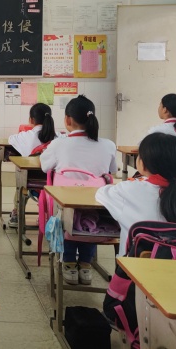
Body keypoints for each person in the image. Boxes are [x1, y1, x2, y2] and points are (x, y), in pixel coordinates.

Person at [40, 95, 117, 286]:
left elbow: (44, 166)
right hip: (97, 208)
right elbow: (112, 170)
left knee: (68, 218)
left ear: (67, 119)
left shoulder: (59, 144)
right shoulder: (108, 145)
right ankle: (85, 264)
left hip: (64, 206)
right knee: (88, 220)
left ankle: (68, 263)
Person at [96, 132, 176, 255]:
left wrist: (139, 181)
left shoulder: (127, 190)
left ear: (142, 164)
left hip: (134, 265)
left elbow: (100, 193)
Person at [6, 103, 57, 226]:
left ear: (31, 120)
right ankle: (46, 216)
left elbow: (10, 139)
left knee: (21, 178)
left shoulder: (25, 136)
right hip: (53, 183)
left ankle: (17, 213)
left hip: (31, 183)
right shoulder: (59, 137)